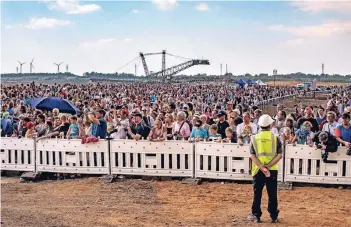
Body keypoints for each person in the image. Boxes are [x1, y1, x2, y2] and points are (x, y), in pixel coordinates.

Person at [247, 114, 282, 223]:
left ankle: (256, 215)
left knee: (257, 193)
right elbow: (279, 155)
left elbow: (252, 155)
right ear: (270, 125)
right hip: (272, 170)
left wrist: (262, 167)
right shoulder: (275, 138)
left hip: (258, 170)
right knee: (272, 193)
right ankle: (274, 216)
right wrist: (268, 166)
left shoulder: (254, 138)